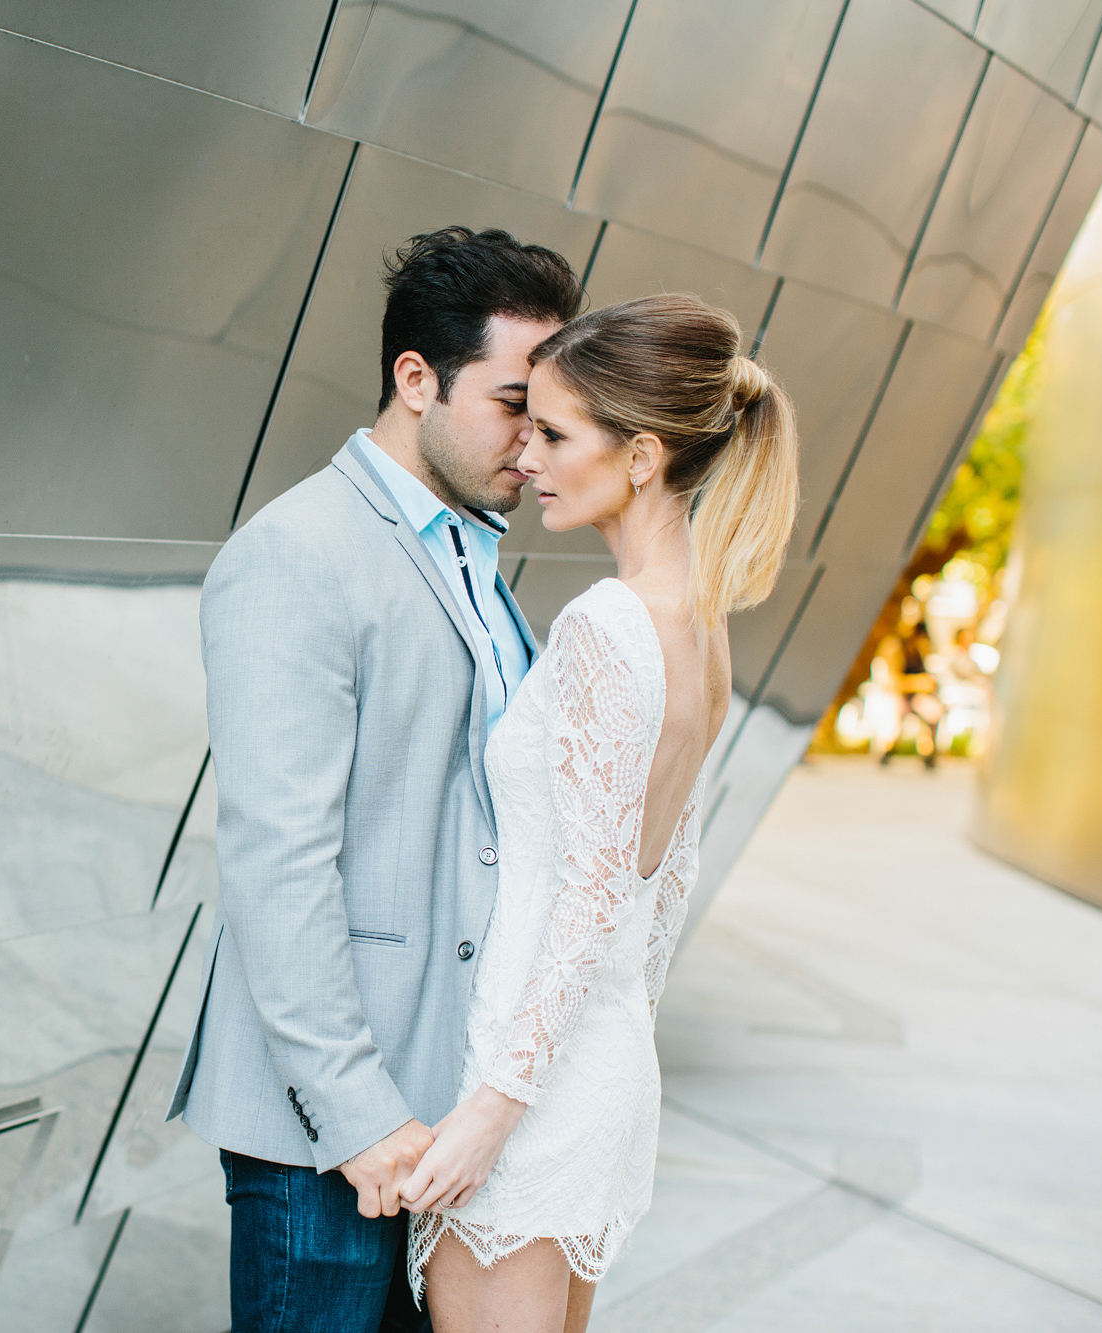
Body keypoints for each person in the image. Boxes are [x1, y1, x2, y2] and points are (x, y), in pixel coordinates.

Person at [167, 226, 584, 1330]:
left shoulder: (474, 554)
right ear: (414, 378)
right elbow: (276, 856)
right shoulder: (294, 553)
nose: (532, 446)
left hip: (444, 1119)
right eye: (510, 406)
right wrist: (356, 1117)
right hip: (329, 1129)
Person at [402, 294, 799, 1332]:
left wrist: (490, 1109)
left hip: (525, 1092)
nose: (525, 455)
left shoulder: (607, 625)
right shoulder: (699, 628)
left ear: (639, 457)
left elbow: (588, 896)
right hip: (600, 1065)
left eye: (554, 431)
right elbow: (658, 887)